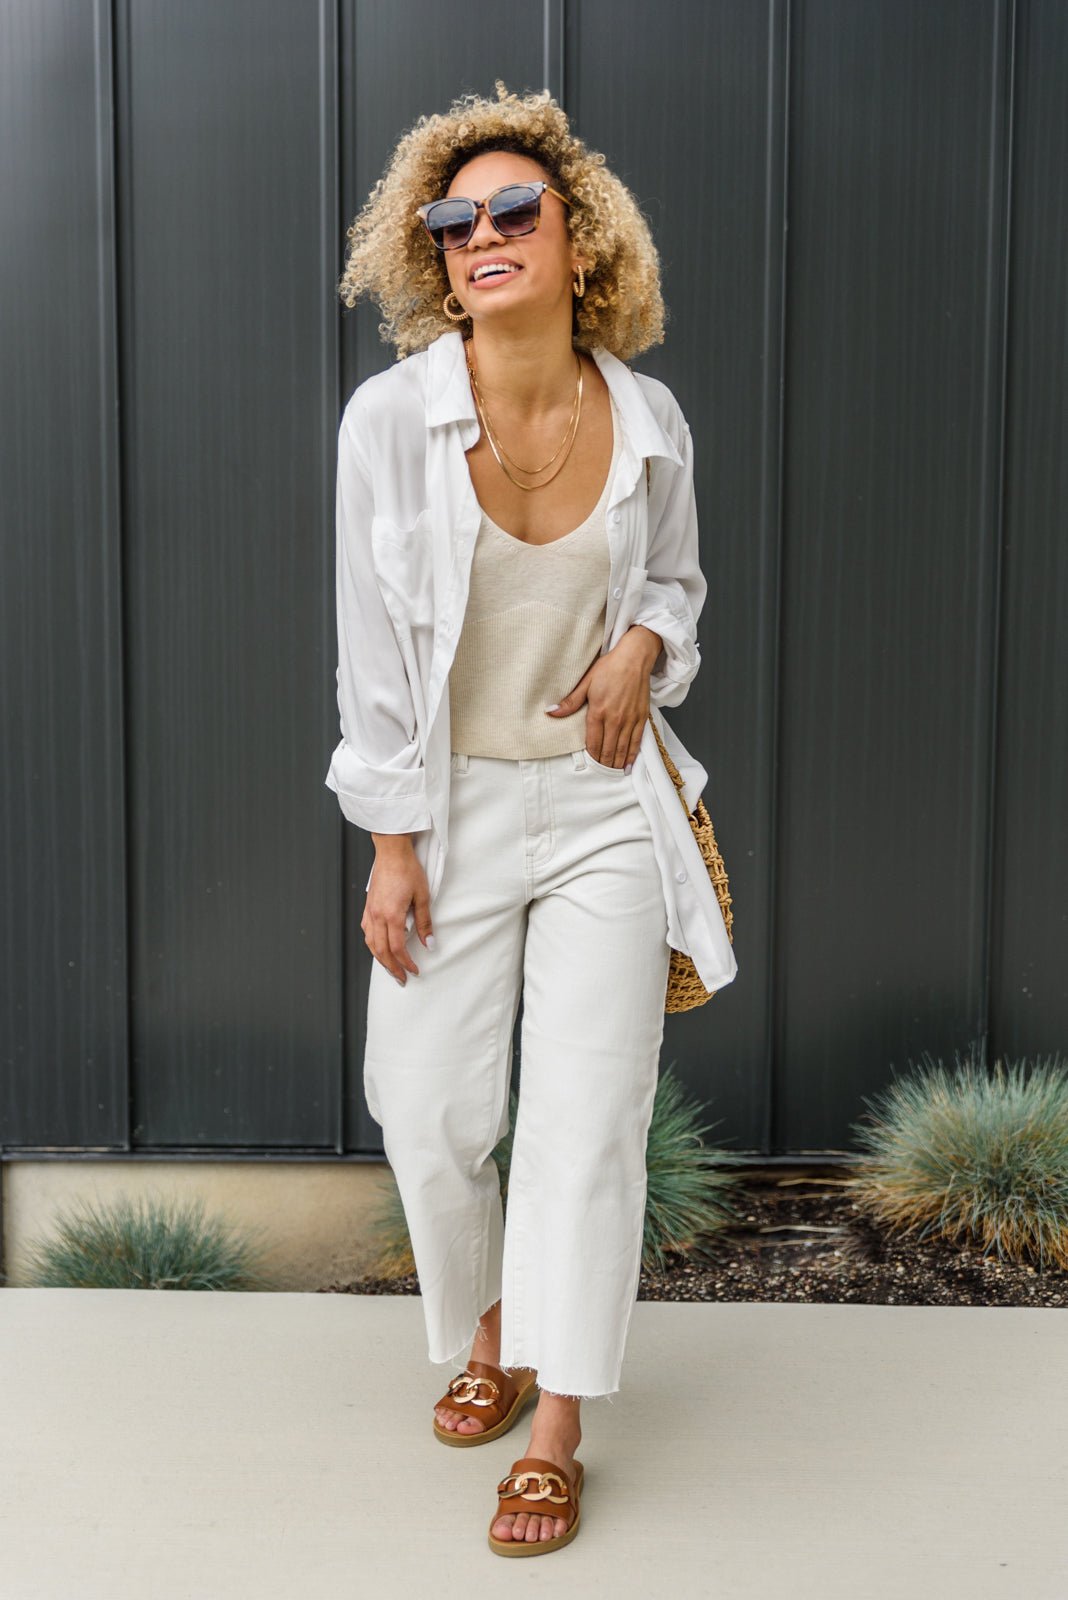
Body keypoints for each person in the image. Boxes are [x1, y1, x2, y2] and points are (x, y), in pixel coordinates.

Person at [325, 80, 737, 1557]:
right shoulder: (390, 423)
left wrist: (645, 647)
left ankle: (557, 1420)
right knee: (428, 1108)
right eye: (454, 220)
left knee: (587, 1120)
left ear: (581, 242)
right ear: (434, 258)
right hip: (453, 813)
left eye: (514, 209)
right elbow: (372, 656)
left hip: (604, 808)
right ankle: (491, 1325)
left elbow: (676, 589)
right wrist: (391, 845)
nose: (482, 233)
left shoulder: (648, 416)